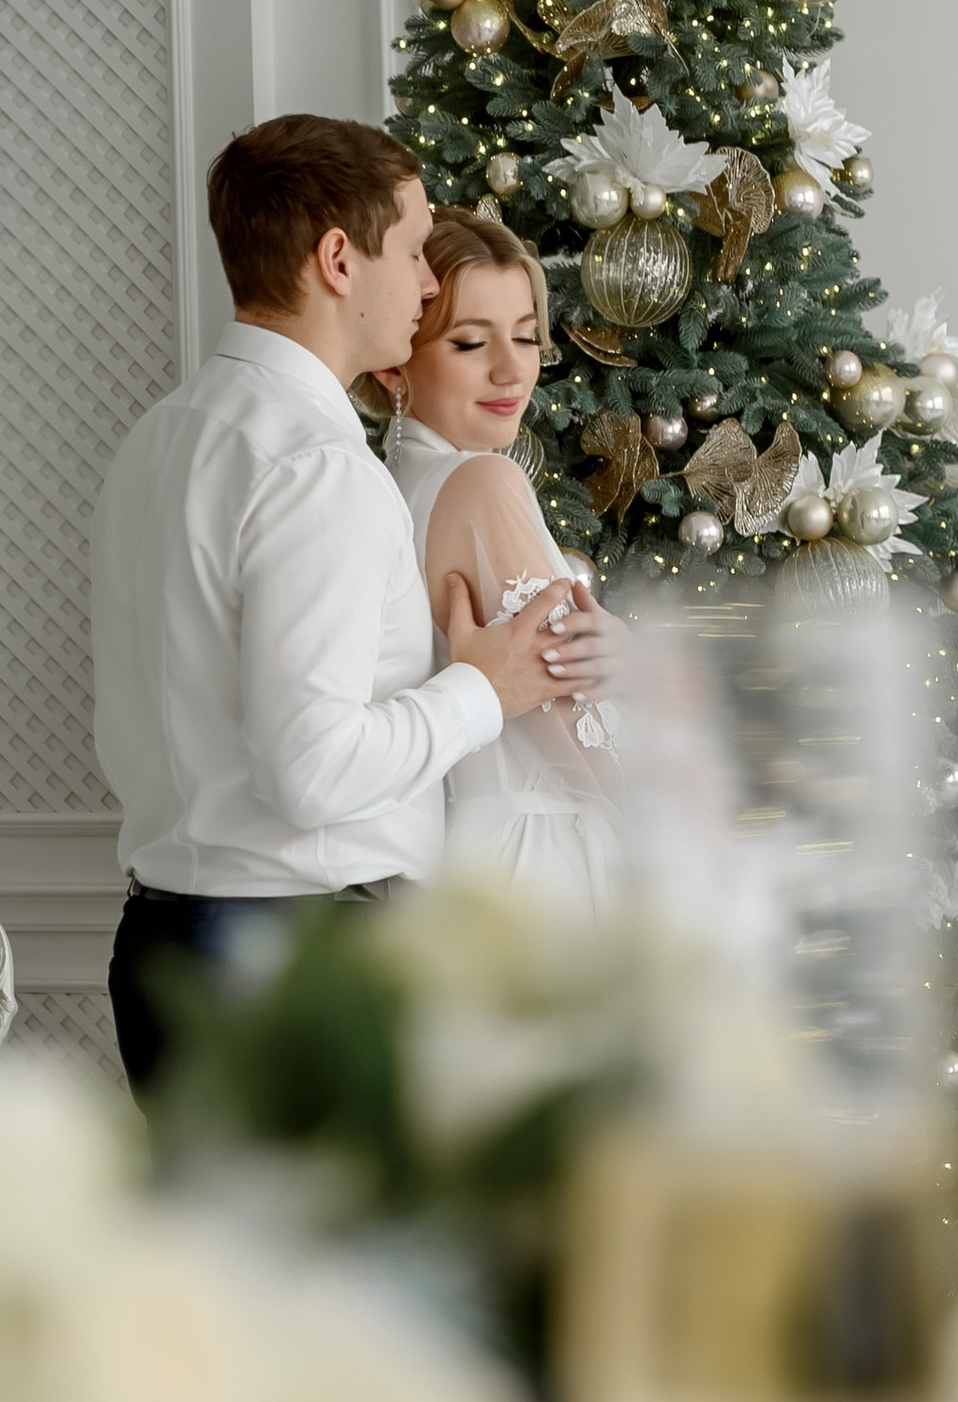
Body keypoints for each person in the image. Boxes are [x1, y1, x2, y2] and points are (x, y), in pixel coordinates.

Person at [89, 116, 614, 1093]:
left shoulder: (161, 438)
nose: (424, 284)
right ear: (339, 258)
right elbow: (313, 772)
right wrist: (482, 691)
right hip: (289, 951)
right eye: (415, 250)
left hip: (163, 935)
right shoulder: (315, 467)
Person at [372, 211, 623, 906]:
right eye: (470, 341)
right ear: (397, 360)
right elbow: (567, 706)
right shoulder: (482, 482)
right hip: (542, 866)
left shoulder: (393, 487)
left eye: (525, 335)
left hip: (470, 860)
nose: (512, 368)